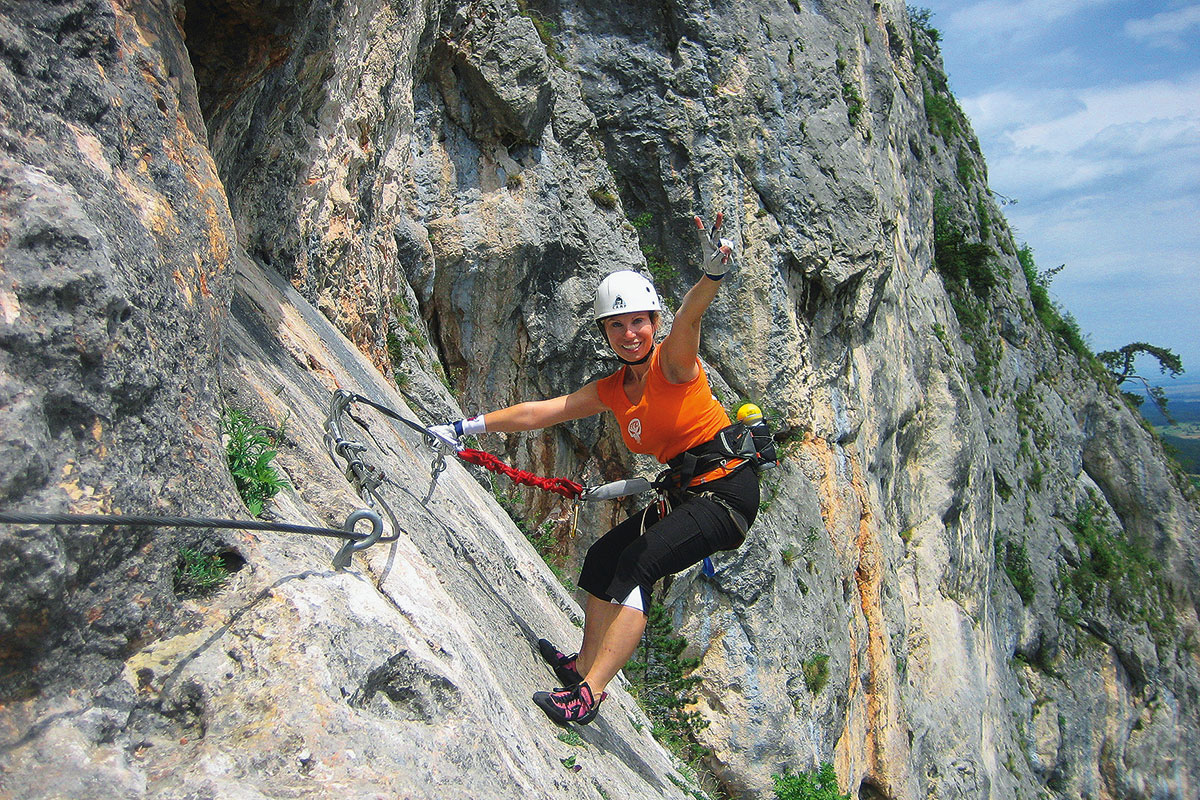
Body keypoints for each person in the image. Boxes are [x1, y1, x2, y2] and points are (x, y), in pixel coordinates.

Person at [431, 213, 759, 726]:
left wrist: (711, 274)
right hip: (689, 492)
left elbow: (690, 318)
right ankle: (582, 665)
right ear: (605, 332)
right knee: (605, 557)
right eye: (617, 325)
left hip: (726, 494)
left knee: (638, 568)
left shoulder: (673, 366)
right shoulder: (613, 389)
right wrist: (467, 427)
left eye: (638, 322)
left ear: (652, 323)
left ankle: (592, 693)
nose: (629, 334)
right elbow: (546, 410)